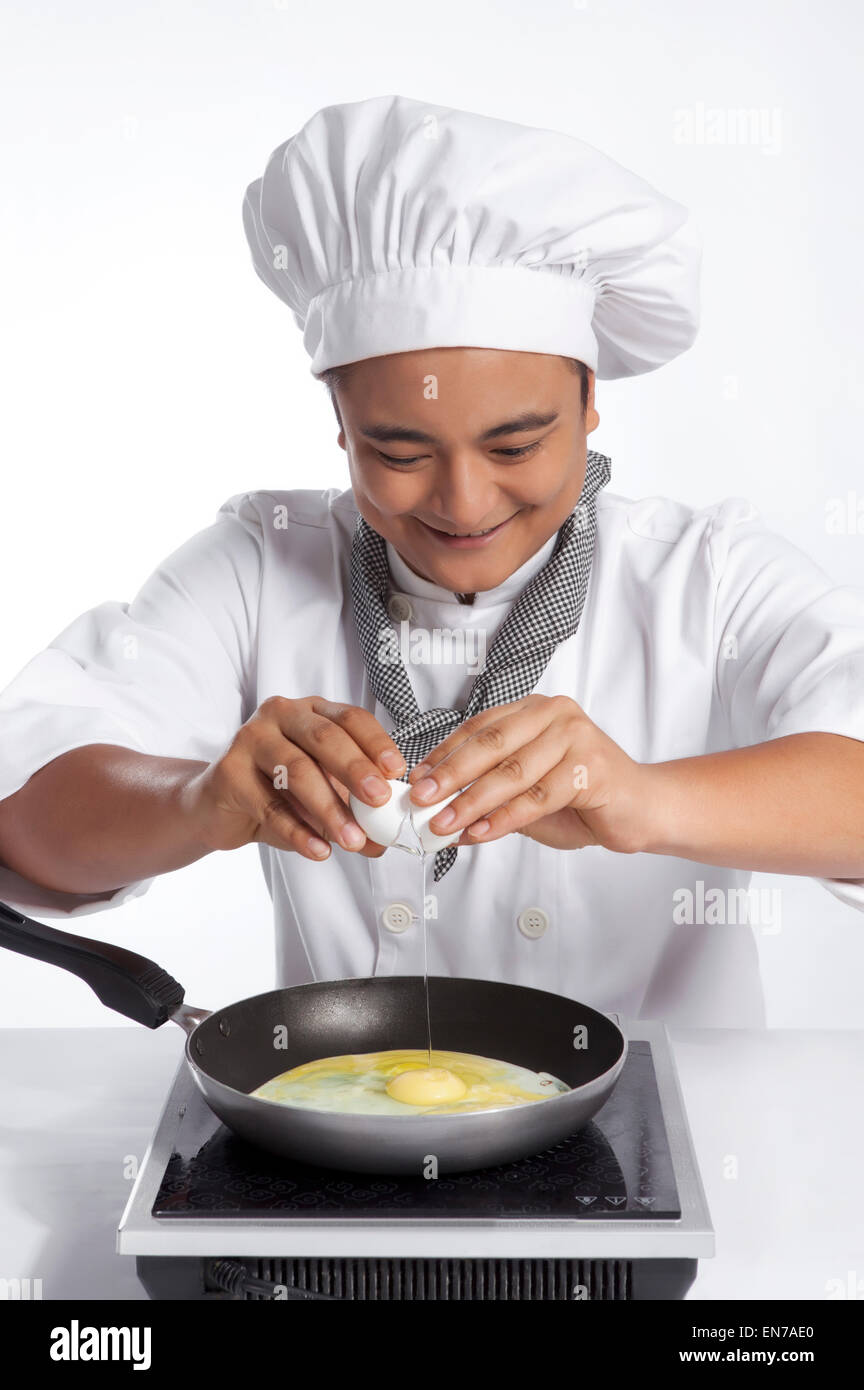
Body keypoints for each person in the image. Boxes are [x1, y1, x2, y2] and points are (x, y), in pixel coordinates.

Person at [1, 94, 863, 1028]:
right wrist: (199, 801)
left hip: (667, 1140)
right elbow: (26, 821)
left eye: (516, 445)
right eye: (400, 453)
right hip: (347, 1133)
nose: (463, 503)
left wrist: (645, 798)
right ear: (339, 426)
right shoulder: (256, 567)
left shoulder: (711, 577)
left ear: (589, 406)